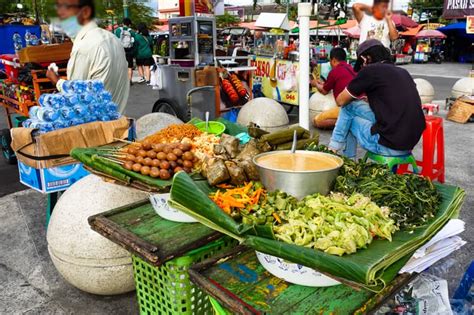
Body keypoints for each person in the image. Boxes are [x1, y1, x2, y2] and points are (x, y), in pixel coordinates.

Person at [328, 39, 425, 159]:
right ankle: (339, 153)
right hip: (409, 144)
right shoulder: (403, 72)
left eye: (361, 63)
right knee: (353, 109)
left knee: (347, 110)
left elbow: (340, 100)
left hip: (387, 145)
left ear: (365, 59)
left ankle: (335, 151)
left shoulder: (370, 70)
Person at [46, 0, 129, 113]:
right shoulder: (112, 38)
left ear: (85, 12)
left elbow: (75, 96)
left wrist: (57, 81)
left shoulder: (84, 46)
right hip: (119, 118)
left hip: (97, 125)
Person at [310, 47, 357, 129]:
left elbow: (324, 91)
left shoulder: (334, 71)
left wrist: (315, 84)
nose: (330, 64)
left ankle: (349, 122)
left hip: (348, 107)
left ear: (334, 60)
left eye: (330, 61)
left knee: (316, 121)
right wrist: (323, 83)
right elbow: (332, 84)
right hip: (359, 104)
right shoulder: (351, 68)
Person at [115, 18, 135, 85]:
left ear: (123, 23)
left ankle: (122, 81)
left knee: (121, 66)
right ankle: (129, 80)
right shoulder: (131, 31)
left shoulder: (118, 30)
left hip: (120, 50)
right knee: (129, 66)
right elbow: (133, 41)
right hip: (129, 50)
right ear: (129, 24)